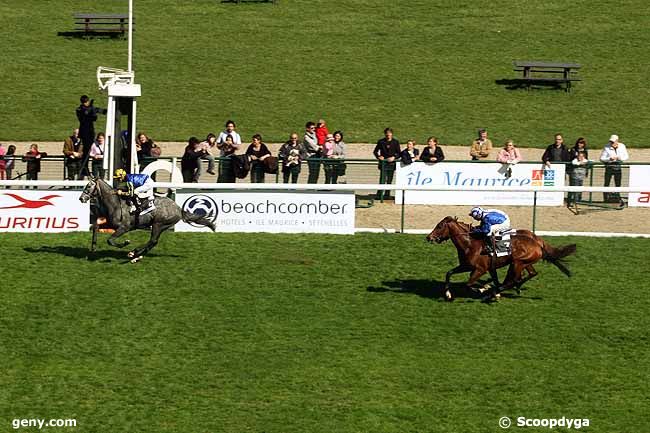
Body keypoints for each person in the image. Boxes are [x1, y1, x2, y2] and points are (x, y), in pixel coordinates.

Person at [76, 95, 106, 178]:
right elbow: (88, 117)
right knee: (86, 151)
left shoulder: (89, 108)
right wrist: (91, 110)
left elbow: (97, 111)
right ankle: (84, 169)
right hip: (85, 133)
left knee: (88, 150)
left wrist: (103, 111)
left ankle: (85, 169)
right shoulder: (80, 110)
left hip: (90, 132)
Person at [599, 134, 629, 204]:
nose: (611, 143)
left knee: (618, 183)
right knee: (607, 183)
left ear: (617, 141)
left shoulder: (622, 146)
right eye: (611, 142)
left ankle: (617, 197)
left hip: (618, 167)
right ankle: (605, 198)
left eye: (613, 142)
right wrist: (609, 159)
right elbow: (601, 158)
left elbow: (626, 156)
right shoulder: (606, 147)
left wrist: (619, 158)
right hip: (609, 166)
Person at [373, 127, 401, 200]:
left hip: (391, 163)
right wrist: (379, 156)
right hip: (383, 163)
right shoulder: (381, 142)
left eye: (389, 133)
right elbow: (375, 151)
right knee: (382, 179)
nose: (388, 135)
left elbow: (399, 153)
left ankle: (387, 195)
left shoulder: (395, 142)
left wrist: (394, 157)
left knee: (389, 180)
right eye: (387, 133)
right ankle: (379, 195)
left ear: (392, 134)